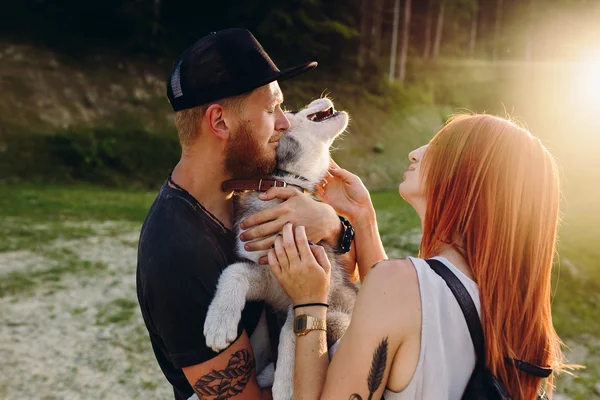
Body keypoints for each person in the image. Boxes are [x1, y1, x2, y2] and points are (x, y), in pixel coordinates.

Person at [262, 114, 568, 399]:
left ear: (467, 178)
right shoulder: (501, 301)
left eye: (437, 147)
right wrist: (362, 218)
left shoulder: (402, 286)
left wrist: (309, 304)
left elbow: (396, 298)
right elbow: (401, 315)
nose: (415, 152)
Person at [136, 28, 354, 400]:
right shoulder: (177, 251)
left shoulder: (249, 192)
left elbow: (346, 282)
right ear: (220, 123)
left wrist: (333, 226)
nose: (284, 123)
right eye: (271, 110)